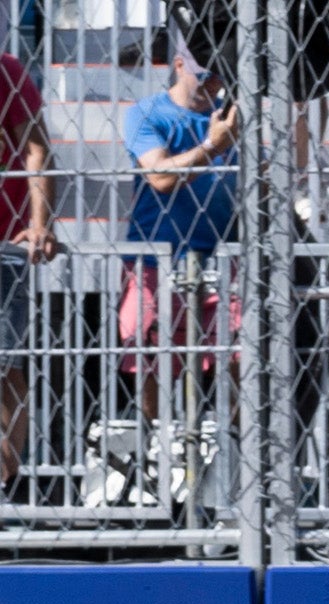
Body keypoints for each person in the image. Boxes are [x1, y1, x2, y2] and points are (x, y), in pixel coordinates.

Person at [119, 46, 239, 422]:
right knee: (152, 364)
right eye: (204, 75)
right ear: (178, 65)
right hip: (157, 259)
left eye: (221, 76)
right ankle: (156, 449)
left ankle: (233, 455)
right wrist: (212, 147)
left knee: (239, 359)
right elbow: (161, 176)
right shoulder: (146, 113)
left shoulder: (230, 115)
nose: (213, 84)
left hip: (222, 258)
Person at [0, 41, 41, 502]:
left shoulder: (6, 71)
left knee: (5, 366)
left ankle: (6, 486)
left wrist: (39, 222)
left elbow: (35, 146)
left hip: (3, 240)